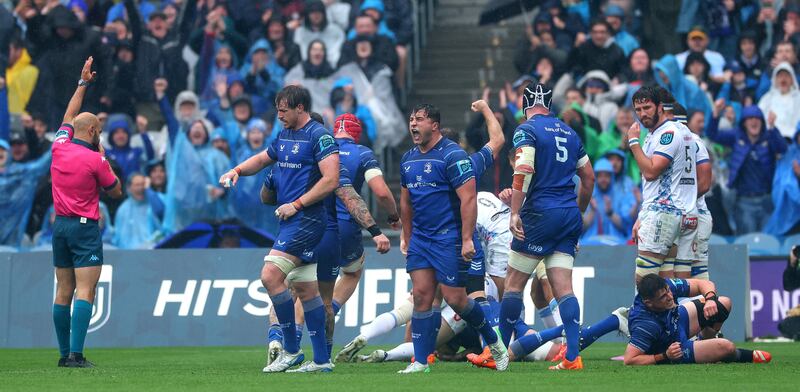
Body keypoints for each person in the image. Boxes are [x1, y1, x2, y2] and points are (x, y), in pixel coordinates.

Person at [219, 86, 339, 373]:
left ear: (301, 108)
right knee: (306, 290)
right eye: (278, 109)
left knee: (270, 276)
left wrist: (296, 204)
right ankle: (322, 361)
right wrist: (236, 170)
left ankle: (291, 350)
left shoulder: (320, 136)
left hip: (307, 219)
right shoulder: (285, 135)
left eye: (284, 109)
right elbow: (262, 159)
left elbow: (331, 179)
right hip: (291, 220)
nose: (279, 115)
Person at [398, 103, 507, 374]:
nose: (413, 124)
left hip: (449, 238)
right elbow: (406, 202)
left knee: (456, 299)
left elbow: (469, 199)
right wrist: (406, 235)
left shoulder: (456, 158)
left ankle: (494, 343)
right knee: (422, 296)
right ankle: (422, 362)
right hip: (422, 239)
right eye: (412, 119)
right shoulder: (408, 158)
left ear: (434, 125)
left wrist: (467, 238)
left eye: (419, 119)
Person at [501, 83, 595, 371]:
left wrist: (515, 211)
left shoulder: (526, 129)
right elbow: (588, 178)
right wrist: (577, 213)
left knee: (513, 285)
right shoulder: (569, 131)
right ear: (550, 104)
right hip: (568, 214)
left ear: (524, 104)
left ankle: (498, 353)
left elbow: (524, 169)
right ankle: (572, 357)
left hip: (541, 213)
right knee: (564, 289)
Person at [50, 57, 123, 368]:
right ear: (94, 130)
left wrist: (83, 84)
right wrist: (104, 158)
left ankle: (63, 354)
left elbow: (69, 115)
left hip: (60, 227)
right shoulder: (95, 160)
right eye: (100, 130)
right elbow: (115, 190)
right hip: (84, 229)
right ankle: (77, 355)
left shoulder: (59, 145)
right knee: (85, 289)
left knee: (63, 290)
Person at [624, 274, 771, 365]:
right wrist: (664, 356)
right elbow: (629, 360)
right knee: (727, 347)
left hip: (677, 323)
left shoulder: (665, 286)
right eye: (663, 297)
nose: (670, 297)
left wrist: (710, 299)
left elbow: (702, 284)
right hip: (673, 348)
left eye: (668, 292)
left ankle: (704, 344)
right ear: (649, 303)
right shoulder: (645, 324)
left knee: (723, 303)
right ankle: (738, 355)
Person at [627, 86, 694, 281]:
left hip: (663, 213)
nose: (642, 114)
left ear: (660, 107)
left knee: (644, 280)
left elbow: (651, 172)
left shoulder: (669, 133)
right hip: (658, 212)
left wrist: (633, 142)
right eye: (638, 110)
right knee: (664, 283)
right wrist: (642, 215)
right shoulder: (653, 134)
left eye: (647, 107)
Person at [706, 99, 787, 234]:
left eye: (757, 118)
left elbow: (782, 148)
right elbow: (712, 134)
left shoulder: (769, 137)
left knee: (768, 245)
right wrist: (715, 114)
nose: (753, 121)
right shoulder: (737, 136)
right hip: (744, 202)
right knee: (747, 245)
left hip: (767, 200)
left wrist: (772, 127)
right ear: (744, 123)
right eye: (749, 119)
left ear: (762, 122)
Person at [112, 173, 163, 249]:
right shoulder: (123, 209)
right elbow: (119, 238)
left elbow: (161, 213)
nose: (141, 188)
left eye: (143, 184)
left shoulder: (155, 201)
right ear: (129, 188)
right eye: (137, 185)